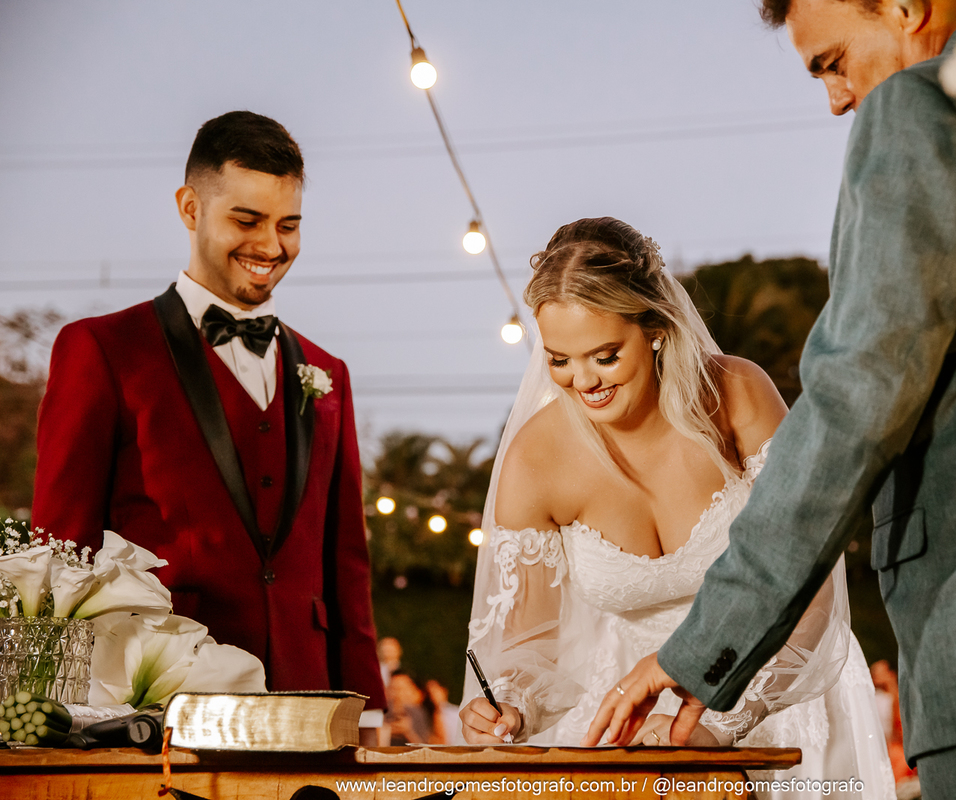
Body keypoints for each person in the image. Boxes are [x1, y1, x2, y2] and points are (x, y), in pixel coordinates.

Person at [586, 0, 956, 796]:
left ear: (904, 8)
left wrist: (703, 648)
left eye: (832, 62)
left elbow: (856, 396)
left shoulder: (925, 106)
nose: (837, 100)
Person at [460, 217, 893, 797]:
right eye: (560, 360)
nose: (583, 381)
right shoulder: (534, 460)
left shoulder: (736, 395)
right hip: (628, 724)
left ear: (656, 329)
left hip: (781, 693)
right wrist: (512, 702)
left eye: (605, 356)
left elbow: (807, 575)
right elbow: (528, 641)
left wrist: (719, 722)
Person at [32, 111, 386, 730]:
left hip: (309, 705)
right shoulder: (104, 349)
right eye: (247, 221)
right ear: (190, 208)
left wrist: (369, 709)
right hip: (160, 708)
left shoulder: (329, 372)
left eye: (288, 225)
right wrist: (52, 713)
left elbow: (345, 566)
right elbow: (61, 554)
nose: (271, 247)